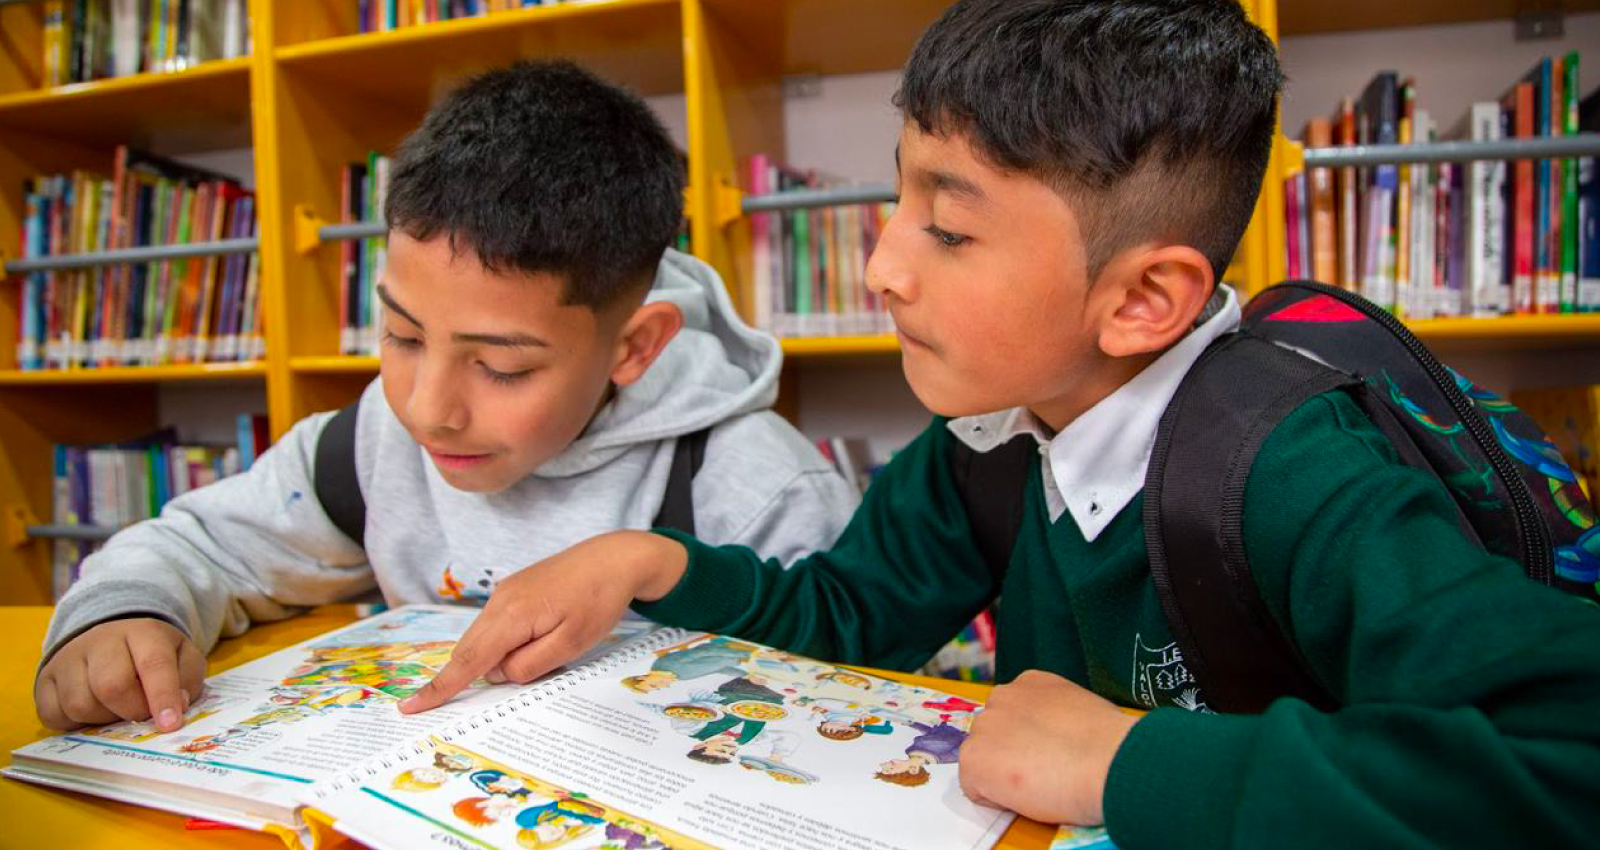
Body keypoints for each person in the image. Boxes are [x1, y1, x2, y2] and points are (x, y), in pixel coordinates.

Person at [398, 3, 1600, 846]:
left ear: (1140, 300)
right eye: (897, 202)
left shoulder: (1293, 471)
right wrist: (649, 560)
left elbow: (1567, 761)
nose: (880, 268)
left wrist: (1125, 763)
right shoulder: (988, 441)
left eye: (950, 230)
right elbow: (850, 618)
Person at [33, 60, 858, 736]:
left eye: (501, 366)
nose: (429, 409)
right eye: (401, 335)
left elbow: (859, 700)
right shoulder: (367, 444)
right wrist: (120, 615)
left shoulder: (757, 488)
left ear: (634, 347)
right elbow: (204, 546)